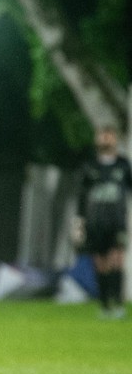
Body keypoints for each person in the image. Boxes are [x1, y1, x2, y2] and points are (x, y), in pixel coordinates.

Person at [74, 126, 131, 319]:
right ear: (97, 139)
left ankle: (118, 303)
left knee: (117, 259)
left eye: (109, 136)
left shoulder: (123, 165)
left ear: (114, 139)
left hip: (117, 221)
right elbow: (81, 197)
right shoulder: (90, 166)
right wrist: (79, 222)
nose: (105, 139)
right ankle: (105, 305)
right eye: (102, 136)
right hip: (95, 223)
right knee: (101, 262)